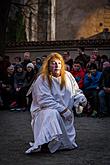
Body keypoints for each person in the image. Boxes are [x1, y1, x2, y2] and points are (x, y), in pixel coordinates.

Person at [25, 52, 87, 154]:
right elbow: (44, 100)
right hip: (44, 112)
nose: (56, 66)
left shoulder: (68, 76)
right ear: (48, 65)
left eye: (59, 63)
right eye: (53, 63)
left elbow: (76, 91)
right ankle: (46, 142)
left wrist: (81, 99)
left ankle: (59, 141)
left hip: (66, 116)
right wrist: (63, 110)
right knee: (52, 113)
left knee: (68, 144)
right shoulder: (42, 79)